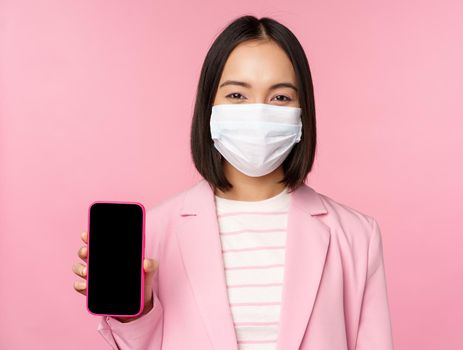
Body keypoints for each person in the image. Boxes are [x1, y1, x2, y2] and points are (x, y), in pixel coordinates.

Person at [72, 15, 394, 350]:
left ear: (302, 114)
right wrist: (135, 315)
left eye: (280, 97)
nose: (258, 112)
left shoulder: (357, 237)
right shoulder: (152, 233)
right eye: (237, 95)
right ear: (209, 108)